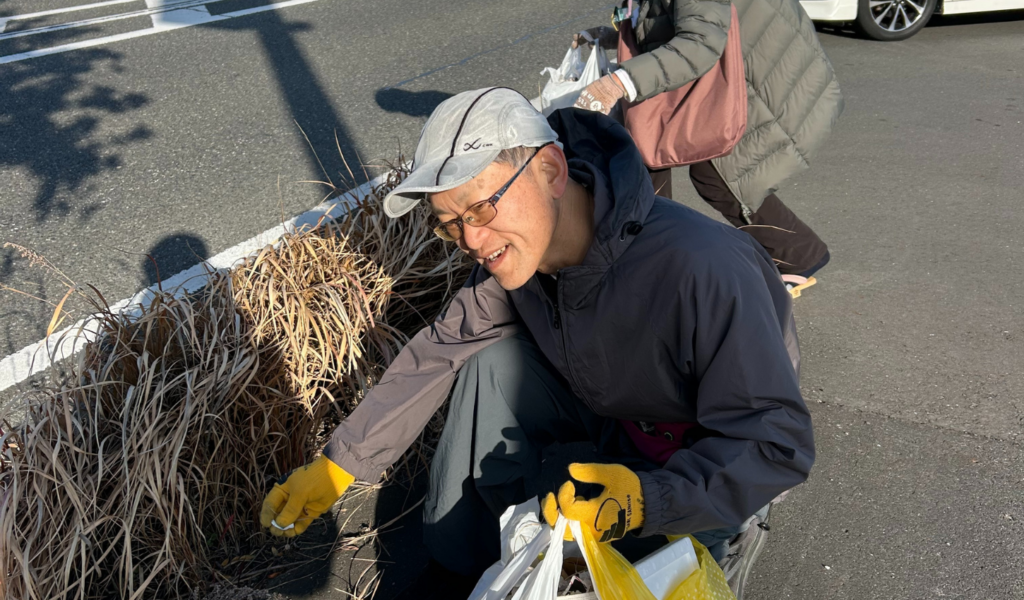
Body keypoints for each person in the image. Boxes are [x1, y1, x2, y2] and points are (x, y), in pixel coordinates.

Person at [259, 88, 815, 599]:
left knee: (648, 580)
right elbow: (440, 349)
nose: (471, 241)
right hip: (616, 418)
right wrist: (340, 463)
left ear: (549, 168)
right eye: (449, 224)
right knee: (491, 364)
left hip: (699, 464)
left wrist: (649, 500)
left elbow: (774, 443)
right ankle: (460, 562)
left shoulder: (701, 268)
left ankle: (728, 536)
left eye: (480, 208)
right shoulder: (518, 263)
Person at [571, 0, 843, 290]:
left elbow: (699, 44)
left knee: (720, 174)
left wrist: (617, 83)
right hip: (744, 70)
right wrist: (617, 35)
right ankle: (649, 259)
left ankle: (798, 255)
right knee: (646, 152)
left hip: (762, 83)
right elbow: (677, 20)